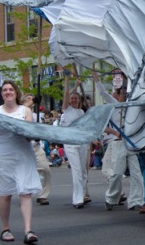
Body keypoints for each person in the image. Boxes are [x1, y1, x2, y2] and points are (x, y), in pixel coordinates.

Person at [0, 80, 41, 244]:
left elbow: (29, 132)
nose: (8, 92)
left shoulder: (25, 110)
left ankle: (28, 230)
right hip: (3, 155)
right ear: (2, 94)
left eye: (10, 89)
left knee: (25, 191)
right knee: (5, 193)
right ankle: (5, 229)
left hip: (23, 154)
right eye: (5, 90)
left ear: (16, 92)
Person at [92, 71, 145, 213]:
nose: (123, 94)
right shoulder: (114, 105)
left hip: (131, 144)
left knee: (137, 174)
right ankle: (111, 198)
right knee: (116, 173)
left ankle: (136, 200)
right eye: (120, 91)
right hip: (118, 143)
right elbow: (103, 92)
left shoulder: (132, 106)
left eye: (125, 92)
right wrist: (96, 78)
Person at [60, 72, 88, 208]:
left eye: (76, 98)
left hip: (82, 142)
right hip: (70, 143)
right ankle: (77, 199)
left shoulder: (82, 112)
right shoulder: (67, 110)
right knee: (76, 170)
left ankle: (82, 194)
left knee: (82, 171)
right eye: (72, 98)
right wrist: (69, 81)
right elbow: (66, 95)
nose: (74, 100)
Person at [22, 93, 52, 206]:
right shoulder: (19, 113)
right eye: (28, 98)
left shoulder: (36, 116)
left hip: (36, 146)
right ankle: (24, 195)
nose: (31, 100)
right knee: (25, 173)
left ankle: (43, 195)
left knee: (45, 169)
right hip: (24, 148)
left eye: (32, 98)